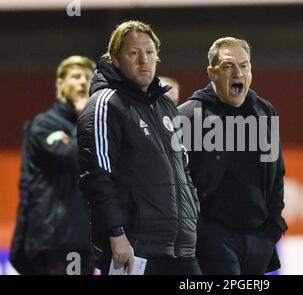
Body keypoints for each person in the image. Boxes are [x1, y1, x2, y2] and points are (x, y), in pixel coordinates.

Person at [77, 20, 201, 275]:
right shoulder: (105, 104)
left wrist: (192, 216)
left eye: (150, 53)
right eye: (134, 53)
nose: (144, 60)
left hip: (181, 249)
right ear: (114, 60)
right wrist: (116, 234)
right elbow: (98, 177)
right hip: (136, 247)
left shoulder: (165, 106)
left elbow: (184, 167)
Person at [178, 37, 288, 274]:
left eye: (244, 65)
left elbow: (277, 172)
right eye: (228, 66)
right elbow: (177, 182)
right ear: (212, 73)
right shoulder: (189, 115)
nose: (238, 72)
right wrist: (199, 232)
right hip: (214, 237)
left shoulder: (265, 111)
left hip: (259, 237)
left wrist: (273, 227)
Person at [10, 55, 96, 275]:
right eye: (76, 77)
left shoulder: (95, 127)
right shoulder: (44, 125)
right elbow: (70, 157)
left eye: (88, 77)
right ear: (60, 84)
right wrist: (85, 118)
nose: (83, 82)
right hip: (53, 240)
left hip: (85, 240)